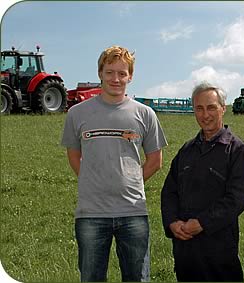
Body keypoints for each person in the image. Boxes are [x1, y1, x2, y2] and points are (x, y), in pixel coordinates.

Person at [61, 45, 167, 282]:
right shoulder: (77, 114)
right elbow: (73, 155)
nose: (116, 79)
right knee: (91, 277)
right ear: (100, 73)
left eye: (122, 73)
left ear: (130, 75)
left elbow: (155, 160)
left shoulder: (145, 114)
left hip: (133, 212)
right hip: (90, 214)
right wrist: (92, 179)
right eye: (109, 72)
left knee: (137, 278)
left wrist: (130, 181)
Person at [161, 82, 244, 282]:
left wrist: (203, 223)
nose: (205, 114)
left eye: (211, 107)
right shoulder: (186, 150)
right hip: (185, 251)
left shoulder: (236, 150)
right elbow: (169, 191)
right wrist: (172, 222)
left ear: (223, 108)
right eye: (199, 108)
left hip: (220, 253)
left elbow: (239, 198)